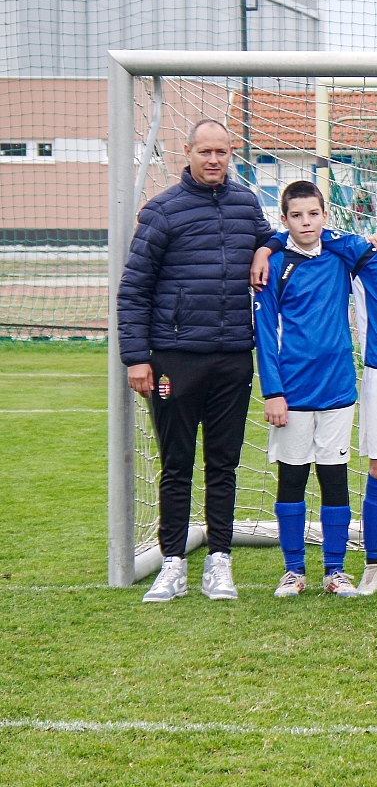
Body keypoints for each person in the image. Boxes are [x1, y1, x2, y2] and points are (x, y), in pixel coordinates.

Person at [256, 182, 377, 594]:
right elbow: (311, 235)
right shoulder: (363, 255)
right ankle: (370, 565)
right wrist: (266, 247)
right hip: (376, 376)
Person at [119, 118, 276, 603]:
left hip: (233, 358)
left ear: (231, 154)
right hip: (174, 362)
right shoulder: (162, 211)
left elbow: (275, 238)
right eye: (204, 151)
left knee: (223, 464)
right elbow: (134, 289)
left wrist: (265, 249)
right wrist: (136, 358)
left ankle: (219, 561)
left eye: (221, 152)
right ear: (186, 153)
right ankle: (172, 563)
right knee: (176, 463)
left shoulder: (246, 205)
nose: (213, 160)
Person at [254, 181, 361, 598]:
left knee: (335, 479)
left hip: (337, 389)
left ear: (325, 215)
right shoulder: (274, 265)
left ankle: (335, 571)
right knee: (292, 479)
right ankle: (294, 570)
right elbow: (265, 333)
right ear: (284, 220)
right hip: (292, 394)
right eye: (296, 216)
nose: (306, 222)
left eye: (313, 214)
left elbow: (365, 245)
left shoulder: (339, 256)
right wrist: (273, 392)